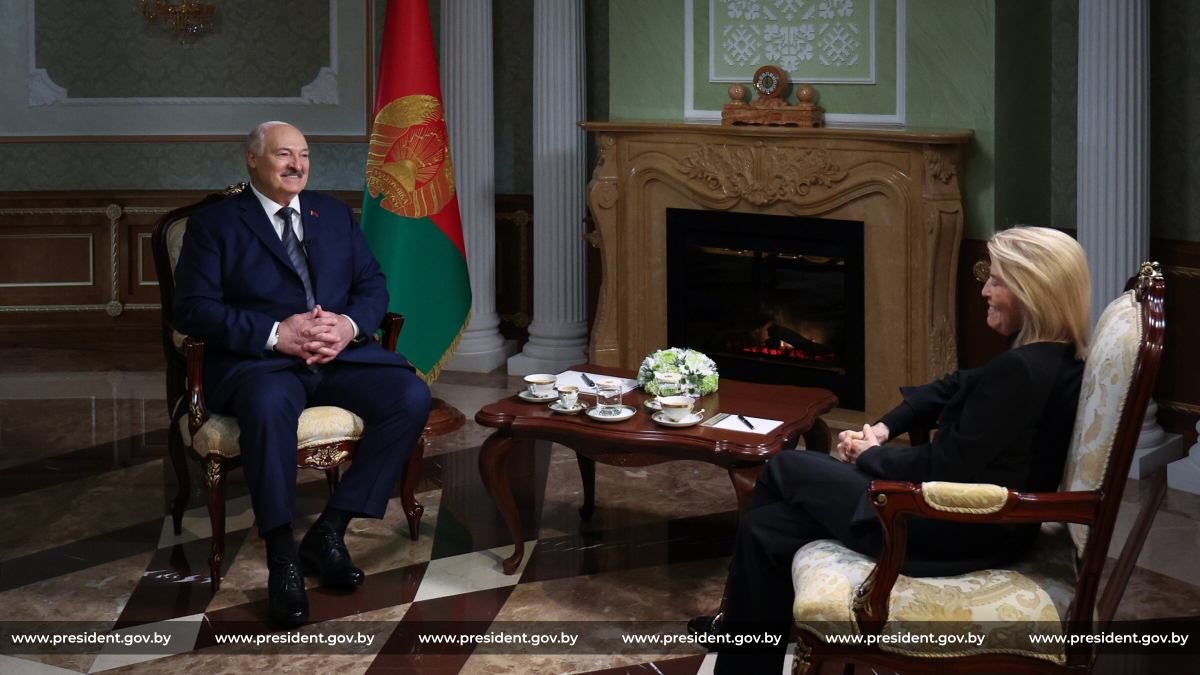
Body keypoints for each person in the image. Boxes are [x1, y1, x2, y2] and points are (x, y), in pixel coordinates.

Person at [691, 227, 1092, 674]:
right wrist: (883, 429)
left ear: (1031, 290)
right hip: (981, 523)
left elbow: (943, 465)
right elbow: (954, 386)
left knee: (784, 465)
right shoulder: (1053, 358)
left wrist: (867, 455)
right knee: (766, 529)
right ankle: (743, 637)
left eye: (996, 281)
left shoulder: (1020, 370)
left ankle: (741, 633)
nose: (984, 291)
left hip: (950, 528)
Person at [173, 121, 432, 627]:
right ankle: (282, 558)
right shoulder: (214, 225)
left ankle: (330, 531)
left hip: (338, 357)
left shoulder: (331, 213)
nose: (297, 165)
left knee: (409, 395)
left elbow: (372, 283)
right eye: (283, 154)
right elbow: (194, 309)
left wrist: (348, 325)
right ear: (253, 159)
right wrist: (276, 333)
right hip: (261, 362)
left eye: (304, 155)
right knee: (268, 408)